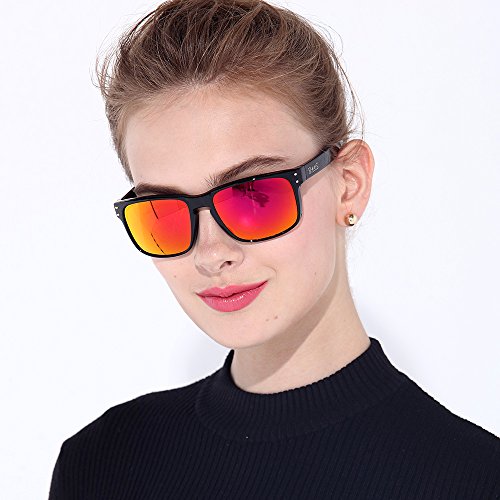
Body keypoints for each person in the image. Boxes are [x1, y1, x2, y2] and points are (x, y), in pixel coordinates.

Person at [48, 0, 500, 498]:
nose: (211, 253)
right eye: (165, 213)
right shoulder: (101, 465)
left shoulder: (474, 480)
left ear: (349, 184)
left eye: (253, 196)